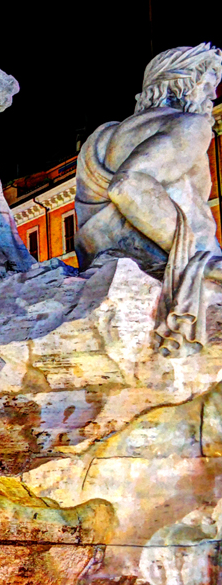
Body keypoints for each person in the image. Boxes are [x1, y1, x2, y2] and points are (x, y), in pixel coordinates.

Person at [75, 42, 222, 354]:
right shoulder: (189, 125)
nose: (212, 96)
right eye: (208, 84)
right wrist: (201, 259)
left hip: (105, 274)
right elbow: (129, 186)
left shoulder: (100, 138)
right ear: (184, 84)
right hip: (182, 279)